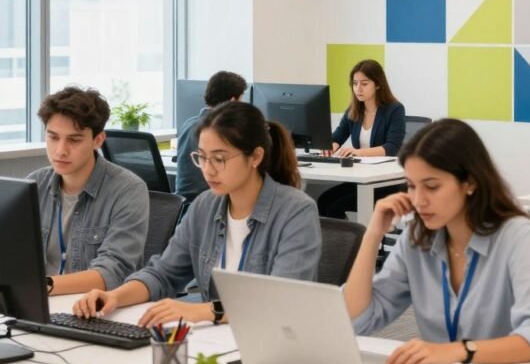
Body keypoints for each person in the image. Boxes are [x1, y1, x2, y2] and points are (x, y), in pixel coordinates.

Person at [72, 101, 321, 327]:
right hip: (216, 342)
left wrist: (203, 312)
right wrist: (114, 296)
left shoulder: (296, 212)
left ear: (255, 156)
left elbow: (282, 301)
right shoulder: (205, 206)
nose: (208, 171)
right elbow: (163, 274)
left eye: (219, 159)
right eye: (201, 158)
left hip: (272, 341)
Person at [345, 118, 530, 364]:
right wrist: (372, 236)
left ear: (469, 182)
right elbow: (356, 320)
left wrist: (459, 351)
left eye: (431, 186)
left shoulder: (517, 236)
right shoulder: (417, 239)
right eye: (411, 186)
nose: (418, 200)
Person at [28, 86, 149, 296]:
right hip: (39, 304)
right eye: (53, 137)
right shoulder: (35, 184)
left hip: (95, 309)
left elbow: (113, 271)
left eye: (74, 140)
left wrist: (41, 286)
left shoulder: (127, 190)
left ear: (98, 140)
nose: (61, 150)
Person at [318, 59, 406, 219]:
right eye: (355, 83)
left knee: (336, 206)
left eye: (364, 84)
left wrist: (357, 152)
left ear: (377, 84)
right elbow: (338, 136)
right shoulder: (354, 110)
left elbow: (391, 147)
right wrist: (329, 146)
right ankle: (339, 242)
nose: (358, 88)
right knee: (323, 201)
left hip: (385, 182)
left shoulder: (395, 110)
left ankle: (349, 242)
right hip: (361, 178)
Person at [174, 71, 247, 204]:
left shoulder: (188, 124)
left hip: (183, 205)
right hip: (210, 204)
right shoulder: (223, 131)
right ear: (232, 101)